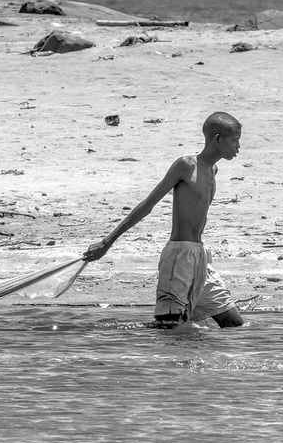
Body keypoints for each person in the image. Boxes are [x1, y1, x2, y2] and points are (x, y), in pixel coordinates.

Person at [84, 112, 245, 327]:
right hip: (179, 257)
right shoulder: (186, 166)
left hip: (201, 258)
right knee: (167, 329)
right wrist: (107, 242)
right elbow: (147, 205)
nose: (238, 147)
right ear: (217, 139)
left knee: (234, 325)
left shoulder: (213, 170)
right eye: (235, 141)